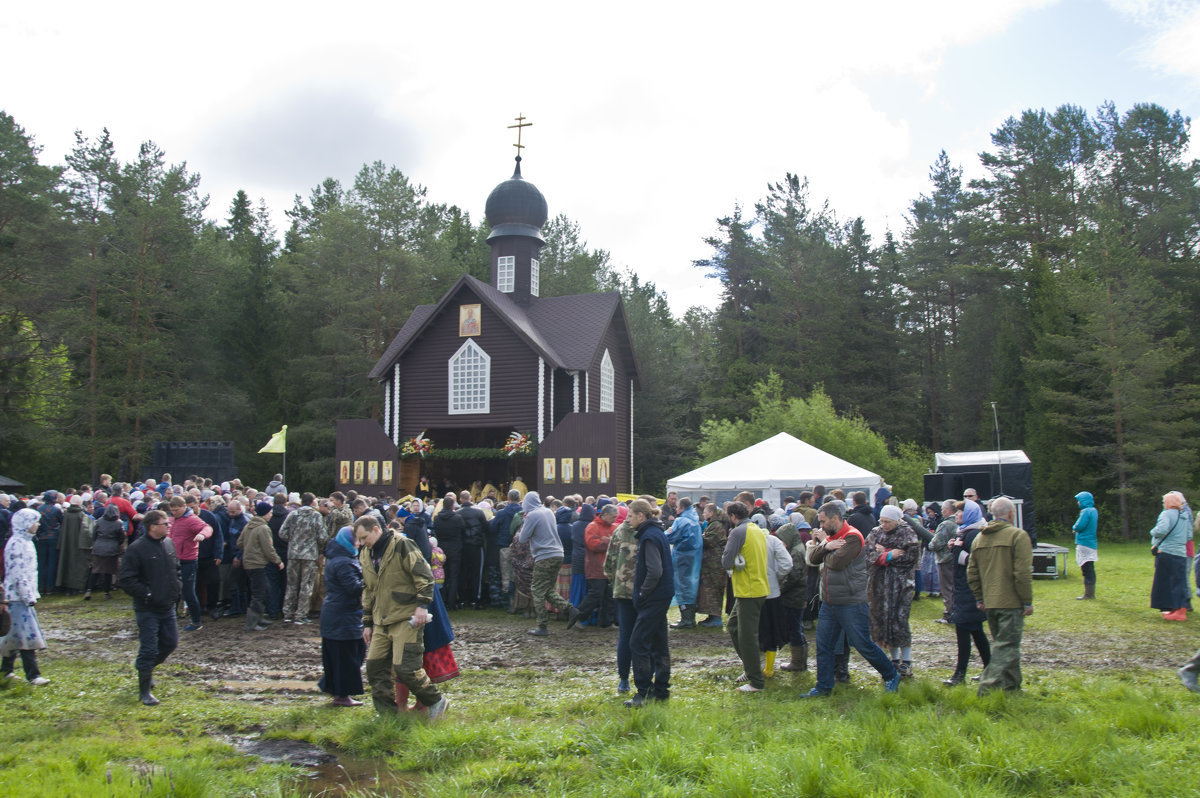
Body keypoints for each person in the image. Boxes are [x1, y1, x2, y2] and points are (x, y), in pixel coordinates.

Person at [802, 502, 900, 698]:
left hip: (851, 602)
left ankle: (891, 675)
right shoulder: (831, 537)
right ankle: (823, 686)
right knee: (824, 645)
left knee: (863, 644)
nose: (820, 526)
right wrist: (827, 545)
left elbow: (836, 563)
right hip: (829, 602)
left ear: (835, 518)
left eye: (822, 522)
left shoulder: (853, 537)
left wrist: (824, 548)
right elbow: (813, 559)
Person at [356, 514, 449, 719]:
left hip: (406, 617)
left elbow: (424, 576)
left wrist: (422, 606)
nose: (361, 543)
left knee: (406, 667)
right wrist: (367, 623)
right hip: (381, 620)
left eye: (364, 538)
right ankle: (387, 716)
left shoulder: (402, 545)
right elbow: (368, 589)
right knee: (375, 668)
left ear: (376, 529)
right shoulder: (365, 554)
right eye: (359, 540)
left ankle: (436, 701)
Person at [967, 496, 1033, 694]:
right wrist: (1026, 601)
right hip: (1011, 601)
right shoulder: (1017, 536)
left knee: (1005, 644)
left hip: (990, 601)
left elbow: (972, 572)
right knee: (1007, 646)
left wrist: (979, 598)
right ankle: (987, 688)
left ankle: (1012, 687)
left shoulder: (980, 538)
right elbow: (1022, 573)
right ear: (1011, 514)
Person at [118, 509, 182, 704]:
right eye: (165, 524)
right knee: (148, 648)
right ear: (153, 526)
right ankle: (144, 691)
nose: (169, 526)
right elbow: (127, 579)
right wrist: (147, 594)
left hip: (168, 605)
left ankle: (146, 670)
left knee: (170, 643)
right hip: (147, 608)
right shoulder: (137, 548)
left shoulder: (169, 544)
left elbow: (176, 569)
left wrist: (177, 588)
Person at [623, 498, 674, 707]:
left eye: (630, 516)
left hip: (653, 597)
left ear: (640, 516)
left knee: (638, 642)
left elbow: (655, 571)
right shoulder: (655, 533)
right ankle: (661, 690)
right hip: (661, 595)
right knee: (659, 642)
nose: (627, 520)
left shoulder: (649, 537)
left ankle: (643, 693)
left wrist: (643, 593)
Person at [722, 501, 771, 693]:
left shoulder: (737, 532)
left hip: (749, 590)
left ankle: (756, 682)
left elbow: (725, 560)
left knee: (747, 637)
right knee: (733, 626)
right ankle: (750, 669)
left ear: (733, 516)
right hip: (755, 588)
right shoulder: (756, 529)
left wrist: (732, 561)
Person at [1, 509, 50, 685]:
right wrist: (27, 596)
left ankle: (6, 671)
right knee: (27, 636)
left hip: (22, 596)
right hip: (17, 597)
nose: (38, 525)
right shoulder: (17, 544)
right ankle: (33, 675)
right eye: (35, 521)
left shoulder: (26, 542)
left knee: (14, 635)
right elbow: (17, 573)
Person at [520, 492, 579, 635]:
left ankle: (542, 626)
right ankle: (571, 610)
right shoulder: (547, 511)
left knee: (537, 590)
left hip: (544, 555)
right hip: (558, 554)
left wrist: (525, 522)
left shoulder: (532, 515)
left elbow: (522, 538)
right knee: (547, 589)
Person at [319, 527, 366, 707]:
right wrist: (371, 579)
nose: (359, 543)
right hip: (343, 617)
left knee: (339, 657)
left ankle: (336, 691)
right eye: (357, 539)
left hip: (337, 614)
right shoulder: (344, 562)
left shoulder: (337, 557)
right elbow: (353, 588)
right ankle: (342, 695)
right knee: (347, 657)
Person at [943, 515, 991, 685]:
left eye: (960, 512)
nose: (957, 516)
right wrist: (954, 548)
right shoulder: (964, 532)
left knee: (963, 630)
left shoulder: (974, 534)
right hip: (963, 588)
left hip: (971, 588)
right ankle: (988, 668)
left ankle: (959, 675)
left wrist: (957, 553)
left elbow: (977, 560)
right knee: (976, 632)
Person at [278, 493, 329, 624]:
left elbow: (282, 533)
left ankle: (288, 613)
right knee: (306, 585)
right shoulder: (316, 516)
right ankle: (301, 614)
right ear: (313, 502)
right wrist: (317, 546)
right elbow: (323, 536)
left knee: (291, 584)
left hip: (293, 554)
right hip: (310, 555)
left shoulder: (293, 515)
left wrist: (294, 540)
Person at [604, 504, 637, 692]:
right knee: (641, 635)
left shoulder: (618, 532)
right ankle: (642, 677)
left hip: (622, 590)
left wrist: (616, 582)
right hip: (641, 592)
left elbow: (608, 564)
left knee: (625, 635)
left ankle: (623, 679)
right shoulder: (647, 532)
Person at [167, 496, 213, 632]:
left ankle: (196, 621)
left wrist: (202, 535)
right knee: (173, 590)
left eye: (176, 510)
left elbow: (207, 528)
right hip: (173, 560)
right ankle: (171, 617)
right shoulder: (172, 520)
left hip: (188, 560)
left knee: (188, 592)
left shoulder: (191, 519)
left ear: (183, 507)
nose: (174, 513)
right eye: (172, 510)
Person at [238, 502, 283, 632]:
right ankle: (252, 623)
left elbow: (240, 543)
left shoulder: (249, 525)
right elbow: (268, 549)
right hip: (258, 564)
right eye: (269, 513)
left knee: (264, 589)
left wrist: (250, 547)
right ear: (265, 513)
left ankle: (259, 616)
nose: (271, 515)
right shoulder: (263, 528)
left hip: (249, 563)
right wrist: (278, 561)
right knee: (259, 593)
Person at [1150, 491, 1192, 621]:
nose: (1163, 504)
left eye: (1164, 502)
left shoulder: (1166, 514)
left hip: (1167, 552)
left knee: (1165, 581)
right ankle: (1178, 609)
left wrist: (1152, 532)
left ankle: (1177, 612)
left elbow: (1161, 530)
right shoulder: (1184, 515)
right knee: (1179, 581)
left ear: (1169, 503)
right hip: (1181, 554)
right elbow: (1189, 536)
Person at [574, 502, 618, 628]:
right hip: (596, 566)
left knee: (609, 596)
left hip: (609, 567)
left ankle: (607, 622)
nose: (615, 519)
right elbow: (593, 544)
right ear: (604, 515)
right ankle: (578, 616)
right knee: (595, 594)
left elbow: (617, 543)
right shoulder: (592, 527)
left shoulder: (614, 527)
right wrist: (610, 542)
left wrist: (606, 541)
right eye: (613, 517)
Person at [775, 517, 809, 672]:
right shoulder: (797, 549)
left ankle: (798, 662)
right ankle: (800, 660)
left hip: (794, 597)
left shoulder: (796, 553)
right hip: (797, 595)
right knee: (796, 627)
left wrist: (780, 589)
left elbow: (794, 576)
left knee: (794, 628)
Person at [666, 497, 703, 629]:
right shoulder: (695, 520)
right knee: (691, 586)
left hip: (682, 558)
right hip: (694, 558)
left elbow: (670, 536)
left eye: (677, 507)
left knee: (682, 586)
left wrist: (664, 533)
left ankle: (686, 619)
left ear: (681, 508)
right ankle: (689, 618)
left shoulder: (681, 521)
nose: (676, 509)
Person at [696, 502, 728, 628]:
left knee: (713, 590)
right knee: (709, 590)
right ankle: (711, 616)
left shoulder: (715, 525)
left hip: (714, 564)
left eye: (705, 512)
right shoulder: (714, 524)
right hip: (712, 563)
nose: (703, 514)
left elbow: (709, 541)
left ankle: (716, 618)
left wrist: (698, 536)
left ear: (711, 513)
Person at [928, 500, 961, 622]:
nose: (941, 512)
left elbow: (936, 543)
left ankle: (949, 614)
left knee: (947, 588)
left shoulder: (945, 524)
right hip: (956, 559)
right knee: (955, 587)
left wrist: (930, 544)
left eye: (942, 510)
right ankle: (956, 612)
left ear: (947, 510)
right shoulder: (959, 522)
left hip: (945, 559)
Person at [87, 504, 126, 599]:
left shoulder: (99, 521)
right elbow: (121, 537)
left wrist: (96, 542)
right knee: (108, 571)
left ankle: (88, 591)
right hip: (111, 549)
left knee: (95, 570)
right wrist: (117, 544)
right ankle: (106, 593)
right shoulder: (118, 523)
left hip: (98, 547)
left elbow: (94, 534)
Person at [1072, 491, 1099, 600]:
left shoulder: (1085, 511)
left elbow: (1080, 525)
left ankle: (1088, 594)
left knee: (1086, 568)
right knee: (1090, 567)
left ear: (1084, 501)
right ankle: (1090, 593)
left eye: (1079, 500)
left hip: (1084, 542)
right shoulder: (1094, 511)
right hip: (1092, 543)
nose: (1078, 503)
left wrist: (1074, 528)